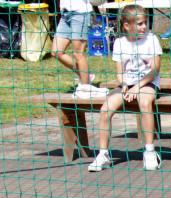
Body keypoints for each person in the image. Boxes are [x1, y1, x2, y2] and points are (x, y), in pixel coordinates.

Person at [88, 4, 162, 173]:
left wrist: (137, 87)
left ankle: (150, 151)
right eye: (140, 24)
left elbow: (155, 70)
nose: (144, 27)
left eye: (145, 23)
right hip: (128, 85)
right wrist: (124, 86)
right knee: (105, 109)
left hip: (147, 82)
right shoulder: (119, 43)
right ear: (127, 26)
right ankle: (103, 154)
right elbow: (120, 73)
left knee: (144, 102)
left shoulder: (152, 39)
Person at [52, 0, 105, 99]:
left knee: (78, 54)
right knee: (56, 52)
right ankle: (86, 75)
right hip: (65, 13)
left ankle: (85, 89)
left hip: (80, 13)